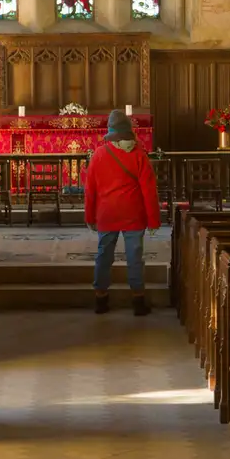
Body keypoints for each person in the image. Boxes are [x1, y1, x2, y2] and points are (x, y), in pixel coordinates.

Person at [83, 109, 160, 315]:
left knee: (104, 256)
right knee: (134, 257)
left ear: (110, 132)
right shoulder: (139, 155)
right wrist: (153, 220)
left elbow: (90, 191)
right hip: (133, 214)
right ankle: (138, 301)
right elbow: (149, 191)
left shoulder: (99, 155)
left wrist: (89, 217)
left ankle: (100, 299)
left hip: (107, 214)